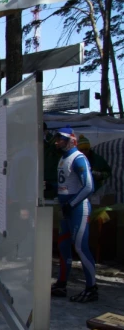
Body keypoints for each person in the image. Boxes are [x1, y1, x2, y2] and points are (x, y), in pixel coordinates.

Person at [50, 126, 98, 303]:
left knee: (80, 247)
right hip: (68, 209)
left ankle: (91, 288)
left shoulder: (78, 158)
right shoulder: (64, 159)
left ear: (70, 139)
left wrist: (72, 203)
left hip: (77, 209)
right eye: (57, 139)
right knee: (63, 246)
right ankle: (62, 284)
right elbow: (66, 184)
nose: (57, 142)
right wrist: (53, 187)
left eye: (61, 139)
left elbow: (88, 186)